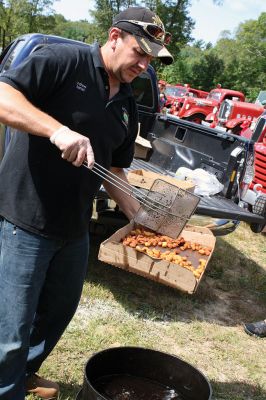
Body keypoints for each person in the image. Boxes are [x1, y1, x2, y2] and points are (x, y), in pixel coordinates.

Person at [0, 7, 173, 400]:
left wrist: (138, 215)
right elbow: (2, 95)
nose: (144, 65)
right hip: (25, 218)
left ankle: (24, 373)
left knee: (57, 313)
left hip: (74, 227)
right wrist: (58, 131)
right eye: (139, 53)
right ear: (114, 37)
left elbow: (115, 168)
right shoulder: (63, 60)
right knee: (11, 328)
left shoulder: (128, 103)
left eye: (151, 59)